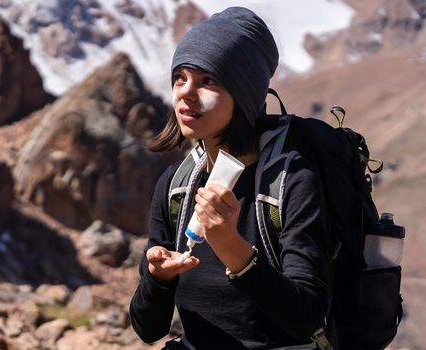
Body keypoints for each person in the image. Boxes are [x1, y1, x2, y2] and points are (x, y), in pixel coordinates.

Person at [129, 7, 334, 350]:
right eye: (180, 77)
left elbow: (308, 318)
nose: (185, 93)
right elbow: (148, 329)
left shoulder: (292, 182)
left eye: (208, 80)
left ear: (244, 94)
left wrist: (232, 249)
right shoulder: (176, 185)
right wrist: (158, 278)